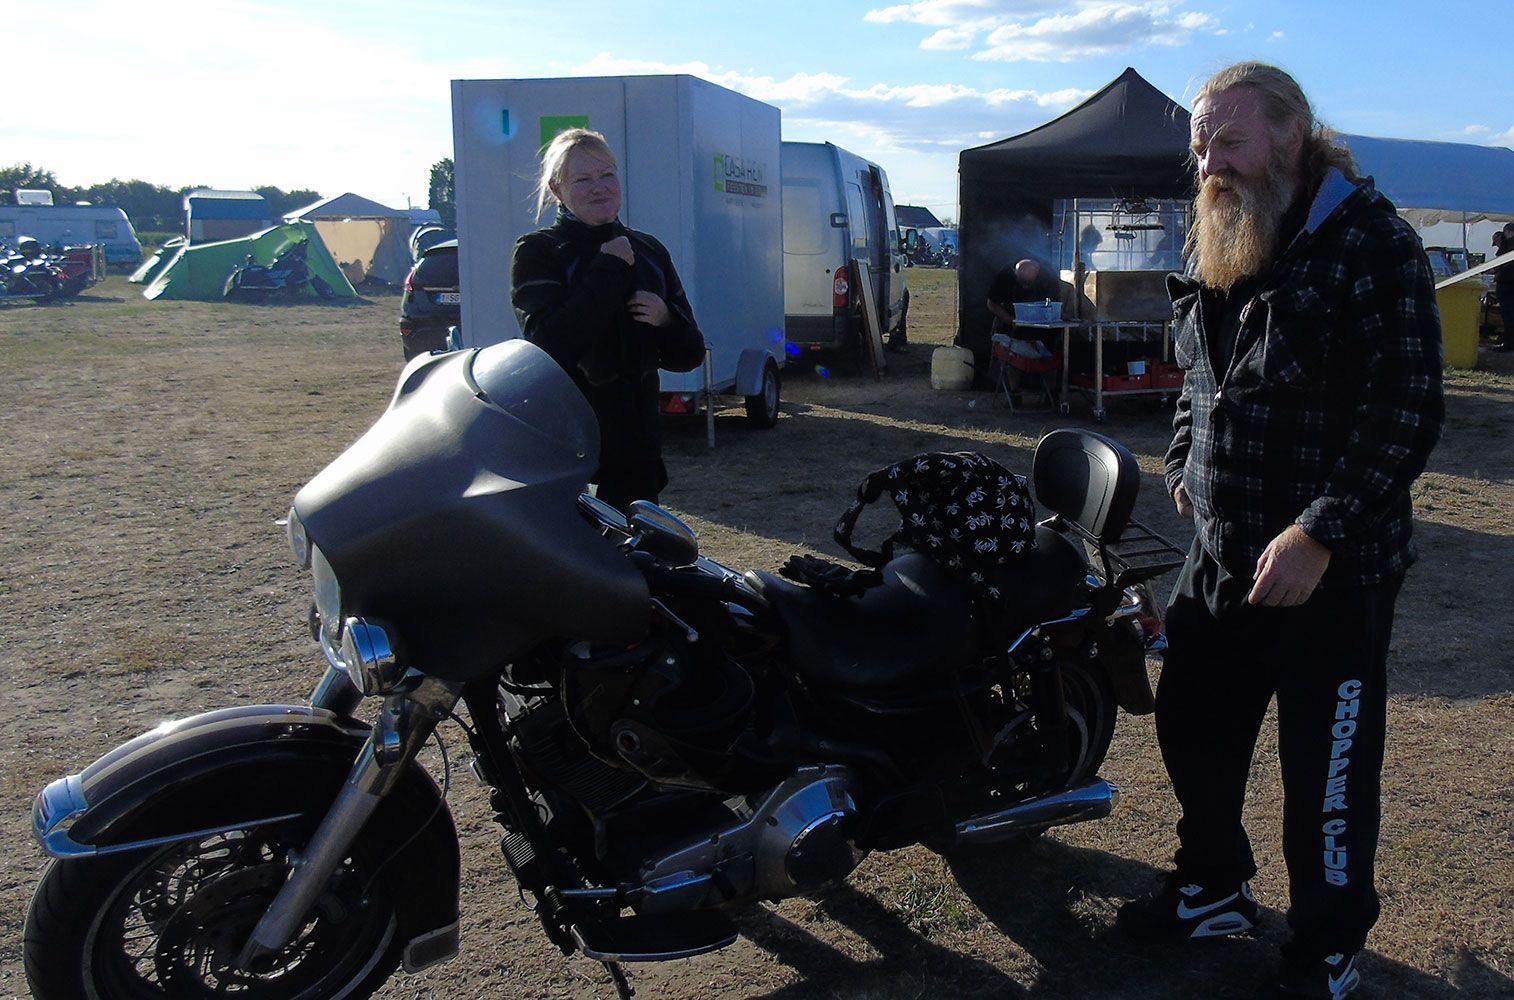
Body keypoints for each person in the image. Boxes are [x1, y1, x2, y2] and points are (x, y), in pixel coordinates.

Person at [1115, 63, 1444, 1000]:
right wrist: (1185, 462)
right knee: (1192, 725)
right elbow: (1199, 374)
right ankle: (1214, 885)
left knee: (1324, 771)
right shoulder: (1224, 229)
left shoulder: (1372, 243)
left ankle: (1327, 946)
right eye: (1200, 147)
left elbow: (1406, 410)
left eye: (1229, 141)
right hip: (1221, 553)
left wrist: (1318, 533)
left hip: (1329, 572)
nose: (1210, 165)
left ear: (1293, 136)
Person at [510, 128, 706, 510]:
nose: (599, 188)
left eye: (607, 175)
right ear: (556, 189)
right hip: (569, 453)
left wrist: (667, 319)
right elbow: (547, 347)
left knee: (641, 547)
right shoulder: (538, 251)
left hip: (638, 456)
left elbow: (690, 355)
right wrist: (608, 268)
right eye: (582, 179)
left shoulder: (649, 250)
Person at [985, 258, 1064, 400]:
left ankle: (1051, 394)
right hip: (1013, 321)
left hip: (1042, 324)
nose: (1025, 286)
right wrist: (1010, 320)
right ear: (1015, 273)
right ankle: (1014, 393)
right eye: (1021, 282)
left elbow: (1054, 305)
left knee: (1049, 355)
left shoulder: (1048, 277)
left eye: (1028, 283)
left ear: (1037, 273)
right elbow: (992, 303)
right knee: (1013, 354)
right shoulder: (1005, 276)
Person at [1493, 224, 1514, 351]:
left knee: (1508, 315)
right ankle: (1508, 338)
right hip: (1509, 282)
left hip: (1506, 283)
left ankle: (1509, 342)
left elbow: (1500, 262)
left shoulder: (1507, 244)